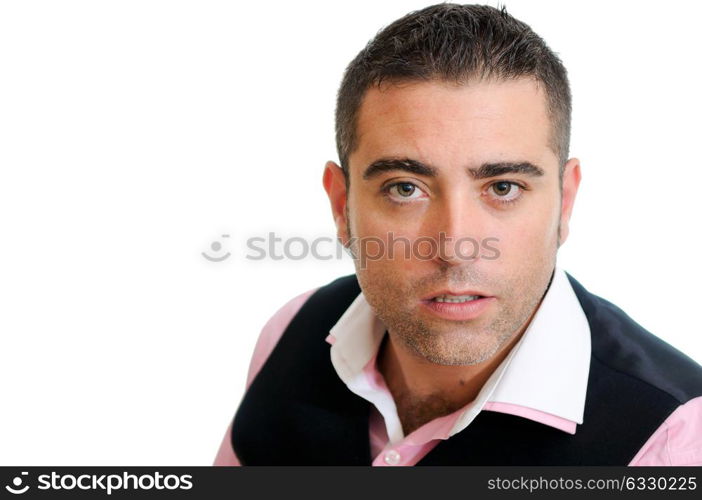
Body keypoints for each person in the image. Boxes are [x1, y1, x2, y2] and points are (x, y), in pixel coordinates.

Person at [214, 3, 702, 465]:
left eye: (503, 187)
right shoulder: (293, 332)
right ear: (342, 205)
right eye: (405, 188)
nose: (454, 246)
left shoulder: (676, 436)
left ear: (564, 202)